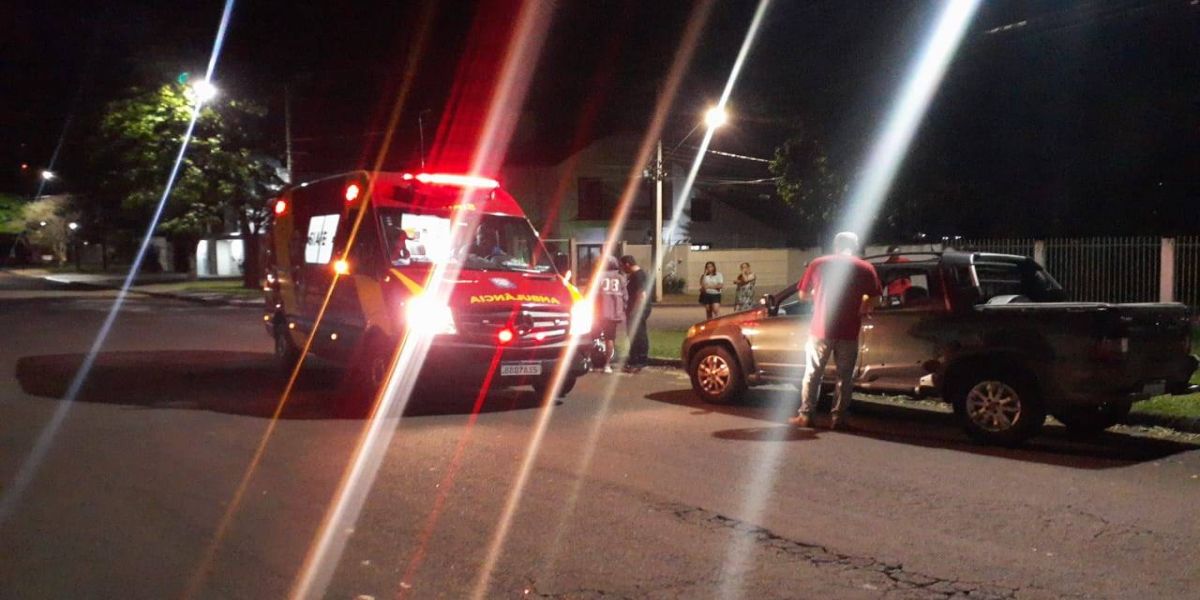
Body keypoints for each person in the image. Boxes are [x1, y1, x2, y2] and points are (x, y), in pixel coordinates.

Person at [788, 232, 882, 431]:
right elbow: (876, 299)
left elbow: (803, 295)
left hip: (820, 329)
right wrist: (862, 307)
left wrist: (818, 294)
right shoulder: (865, 268)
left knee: (813, 373)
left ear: (836, 245)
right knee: (844, 377)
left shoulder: (818, 263)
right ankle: (839, 419)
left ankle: (806, 415)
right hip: (849, 329)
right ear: (855, 246)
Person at [596, 256, 627, 373]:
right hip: (614, 314)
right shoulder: (620, 278)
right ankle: (607, 365)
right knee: (610, 339)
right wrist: (622, 308)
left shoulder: (599, 277)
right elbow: (625, 297)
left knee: (592, 336)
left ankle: (589, 360)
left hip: (599, 312)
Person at [620, 255, 650, 373]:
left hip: (638, 309)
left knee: (638, 334)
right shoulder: (635, 275)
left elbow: (642, 294)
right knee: (634, 334)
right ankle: (634, 359)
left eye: (622, 266)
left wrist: (635, 310)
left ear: (627, 264)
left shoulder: (638, 275)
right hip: (636, 309)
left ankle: (640, 361)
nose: (622, 268)